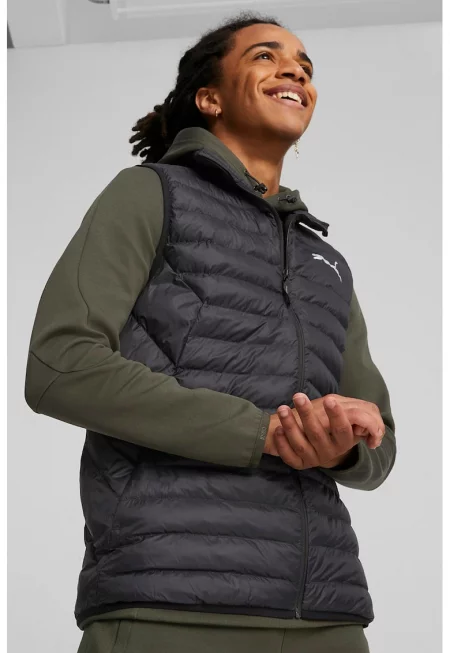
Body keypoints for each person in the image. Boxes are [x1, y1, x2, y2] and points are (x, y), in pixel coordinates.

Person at [24, 12, 396, 653]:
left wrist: (340, 445)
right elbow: (61, 366)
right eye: (265, 56)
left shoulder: (327, 262)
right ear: (210, 98)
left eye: (305, 65)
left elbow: (379, 446)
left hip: (325, 617)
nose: (294, 70)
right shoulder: (149, 193)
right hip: (167, 605)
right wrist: (262, 433)